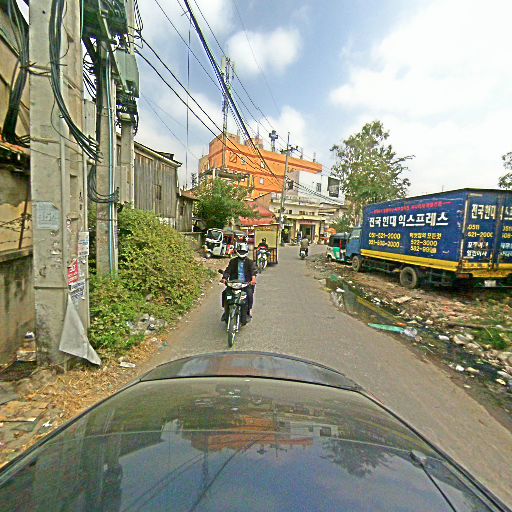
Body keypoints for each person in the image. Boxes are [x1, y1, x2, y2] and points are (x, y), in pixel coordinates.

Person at [221, 242, 257, 323]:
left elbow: (253, 271)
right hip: (234, 283)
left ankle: (247, 312)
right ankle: (226, 310)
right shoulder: (233, 261)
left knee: (249, 295)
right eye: (240, 251)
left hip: (245, 284)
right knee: (225, 294)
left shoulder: (250, 262)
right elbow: (228, 271)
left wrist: (253, 279)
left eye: (243, 251)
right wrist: (224, 278)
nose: (241, 253)